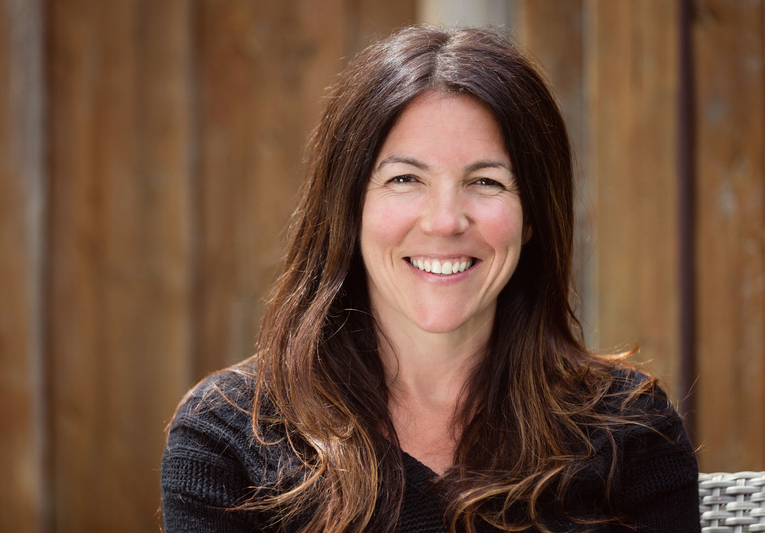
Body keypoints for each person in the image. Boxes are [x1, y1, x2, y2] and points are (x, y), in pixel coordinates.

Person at [160, 26, 699, 532]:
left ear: (532, 215)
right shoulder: (228, 436)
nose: (445, 220)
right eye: (405, 179)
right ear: (349, 207)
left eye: (485, 181)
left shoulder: (631, 431)